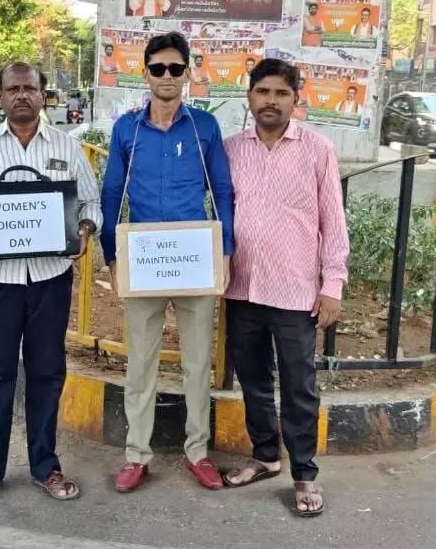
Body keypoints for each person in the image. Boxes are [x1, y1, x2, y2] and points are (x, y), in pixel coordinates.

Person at [0, 62, 103, 507]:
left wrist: (85, 229)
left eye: (29, 88)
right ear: (0, 96)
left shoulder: (66, 147)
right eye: (12, 89)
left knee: (47, 373)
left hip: (50, 278)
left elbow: (90, 201)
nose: (21, 96)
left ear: (42, 93)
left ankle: (45, 466)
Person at [101, 32, 235, 493]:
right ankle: (137, 455)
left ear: (187, 74)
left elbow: (222, 193)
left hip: (195, 260)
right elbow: (111, 195)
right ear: (145, 73)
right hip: (144, 262)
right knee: (141, 364)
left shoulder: (204, 129)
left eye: (176, 68)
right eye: (158, 68)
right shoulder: (127, 129)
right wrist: (111, 254)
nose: (167, 76)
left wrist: (226, 251)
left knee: (198, 364)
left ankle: (197, 452)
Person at [220, 58, 348, 518]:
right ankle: (265, 456)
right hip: (241, 289)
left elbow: (333, 220)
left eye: (281, 93)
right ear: (249, 97)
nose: (271, 101)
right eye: (263, 92)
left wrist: (332, 283)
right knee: (253, 381)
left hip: (295, 292)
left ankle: (304, 474)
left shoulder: (317, 150)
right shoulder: (232, 148)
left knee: (299, 386)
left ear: (297, 99)